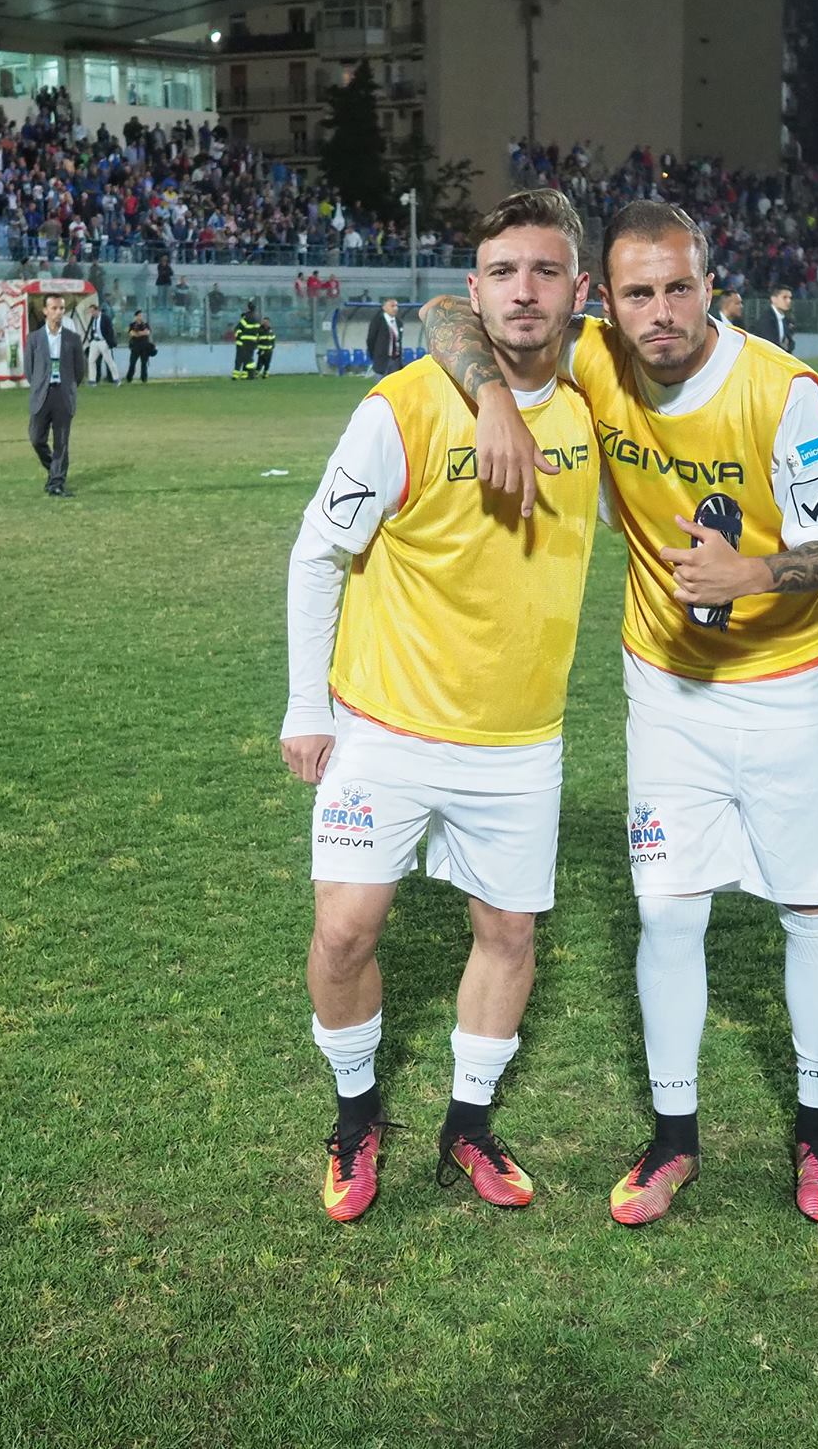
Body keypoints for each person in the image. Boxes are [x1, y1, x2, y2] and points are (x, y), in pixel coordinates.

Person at [428, 199, 818, 1229]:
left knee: (812, 909)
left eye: (680, 287)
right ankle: (674, 1136)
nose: (661, 312)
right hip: (666, 689)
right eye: (637, 293)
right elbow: (449, 317)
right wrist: (491, 400)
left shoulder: (778, 389)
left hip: (796, 679)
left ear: (711, 284)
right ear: (606, 303)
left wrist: (749, 568)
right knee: (669, 910)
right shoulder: (595, 360)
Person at [282, 189, 600, 1224]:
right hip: (382, 725)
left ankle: (468, 1120)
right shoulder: (401, 406)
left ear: (578, 292)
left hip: (519, 738)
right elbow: (317, 550)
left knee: (507, 932)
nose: (522, 289)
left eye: (544, 271)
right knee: (342, 931)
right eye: (501, 271)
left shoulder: (601, 391)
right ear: (471, 290)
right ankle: (356, 1110)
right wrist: (306, 703)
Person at [27, 299, 86, 498]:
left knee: (61, 442)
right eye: (54, 308)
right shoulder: (34, 339)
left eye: (61, 308)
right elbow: (30, 370)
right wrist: (40, 385)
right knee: (36, 438)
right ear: (45, 311)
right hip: (42, 395)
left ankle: (57, 483)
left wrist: (68, 387)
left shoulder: (73, 339)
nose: (59, 312)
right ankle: (54, 469)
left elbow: (79, 371)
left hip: (63, 395)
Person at [84, 302, 120, 385]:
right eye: (90, 312)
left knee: (109, 361)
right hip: (95, 342)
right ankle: (92, 380)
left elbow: (110, 330)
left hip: (103, 341)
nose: (92, 314)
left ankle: (116, 379)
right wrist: (91, 339)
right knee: (91, 360)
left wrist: (109, 342)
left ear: (97, 310)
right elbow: (93, 329)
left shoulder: (105, 318)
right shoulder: (93, 319)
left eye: (93, 311)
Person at [367, 297, 404, 376]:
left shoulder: (398, 322)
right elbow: (371, 339)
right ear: (384, 307)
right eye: (392, 306)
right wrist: (376, 355)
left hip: (395, 361)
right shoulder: (377, 320)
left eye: (396, 306)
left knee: (395, 386)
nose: (395, 308)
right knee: (382, 386)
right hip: (382, 360)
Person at [232, 303, 262, 379]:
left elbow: (238, 328)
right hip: (253, 342)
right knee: (249, 357)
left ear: (248, 308)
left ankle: (250, 374)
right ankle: (246, 375)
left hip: (244, 342)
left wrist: (238, 337)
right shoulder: (258, 318)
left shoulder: (246, 317)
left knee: (244, 359)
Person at [766, 285, 798, 352]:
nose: (789, 301)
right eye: (784, 297)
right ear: (774, 299)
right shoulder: (766, 319)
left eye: (790, 298)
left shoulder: (786, 320)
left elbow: (790, 343)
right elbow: (769, 346)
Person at [126, 310, 154, 382]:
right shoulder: (132, 325)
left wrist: (138, 333)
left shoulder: (145, 324)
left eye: (141, 315)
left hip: (144, 346)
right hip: (135, 346)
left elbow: (147, 332)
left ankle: (144, 378)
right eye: (139, 316)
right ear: (135, 317)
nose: (140, 317)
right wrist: (141, 333)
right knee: (132, 363)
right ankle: (129, 378)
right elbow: (132, 333)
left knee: (144, 363)